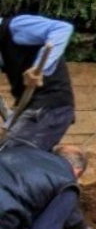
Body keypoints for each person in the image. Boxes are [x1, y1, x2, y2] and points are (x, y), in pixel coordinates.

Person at [0, 14, 76, 151]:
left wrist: (39, 68)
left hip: (50, 108)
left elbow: (62, 28)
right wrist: (11, 122)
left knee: (11, 155)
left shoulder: (15, 26)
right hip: (33, 108)